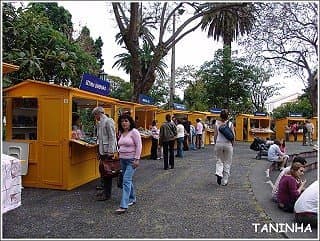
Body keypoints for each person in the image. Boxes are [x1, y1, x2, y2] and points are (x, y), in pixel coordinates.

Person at [115, 114, 142, 214]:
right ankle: (132, 198)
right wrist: (118, 153)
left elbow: (139, 145)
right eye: (122, 121)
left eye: (126, 121)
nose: (124, 123)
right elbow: (120, 145)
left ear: (130, 122)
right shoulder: (122, 133)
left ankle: (123, 205)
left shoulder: (134, 132)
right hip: (123, 160)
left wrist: (137, 159)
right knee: (128, 180)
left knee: (126, 180)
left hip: (131, 160)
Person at [92, 106, 117, 201]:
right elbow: (100, 139)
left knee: (107, 172)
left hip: (107, 152)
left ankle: (107, 194)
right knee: (103, 171)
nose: (95, 117)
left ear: (98, 114)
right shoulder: (100, 123)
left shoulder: (108, 121)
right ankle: (104, 190)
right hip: (103, 151)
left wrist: (111, 151)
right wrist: (98, 151)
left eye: (95, 115)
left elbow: (112, 137)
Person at [214, 109, 235, 186]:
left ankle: (219, 173)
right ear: (227, 116)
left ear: (220, 115)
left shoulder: (216, 123)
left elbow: (215, 135)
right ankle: (225, 180)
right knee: (227, 162)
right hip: (228, 144)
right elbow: (233, 136)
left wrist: (215, 143)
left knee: (219, 160)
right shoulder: (230, 124)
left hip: (219, 143)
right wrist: (232, 145)